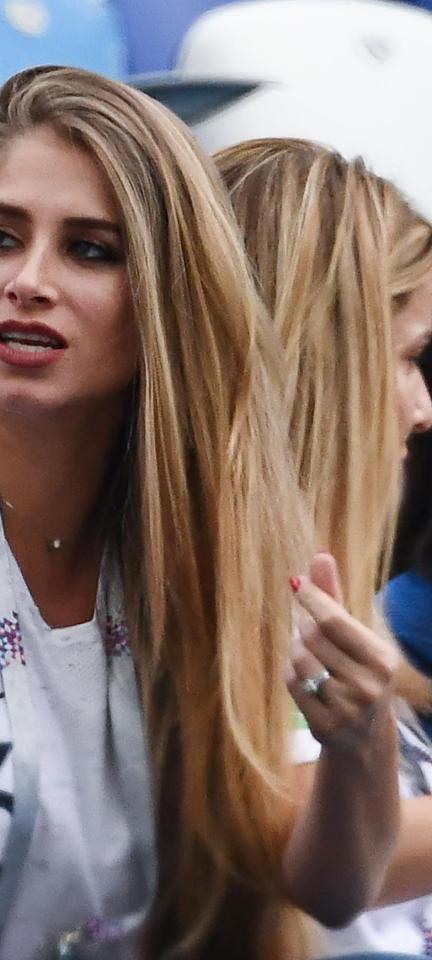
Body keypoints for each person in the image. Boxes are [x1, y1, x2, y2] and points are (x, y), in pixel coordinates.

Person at [0, 69, 400, 960]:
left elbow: (326, 889)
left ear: (170, 298)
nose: (28, 282)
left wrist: (361, 740)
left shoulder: (210, 538)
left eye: (91, 250)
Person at [214, 136, 432, 957]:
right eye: (409, 359)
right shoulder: (229, 588)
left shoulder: (320, 574)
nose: (422, 409)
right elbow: (329, 866)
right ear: (328, 365)